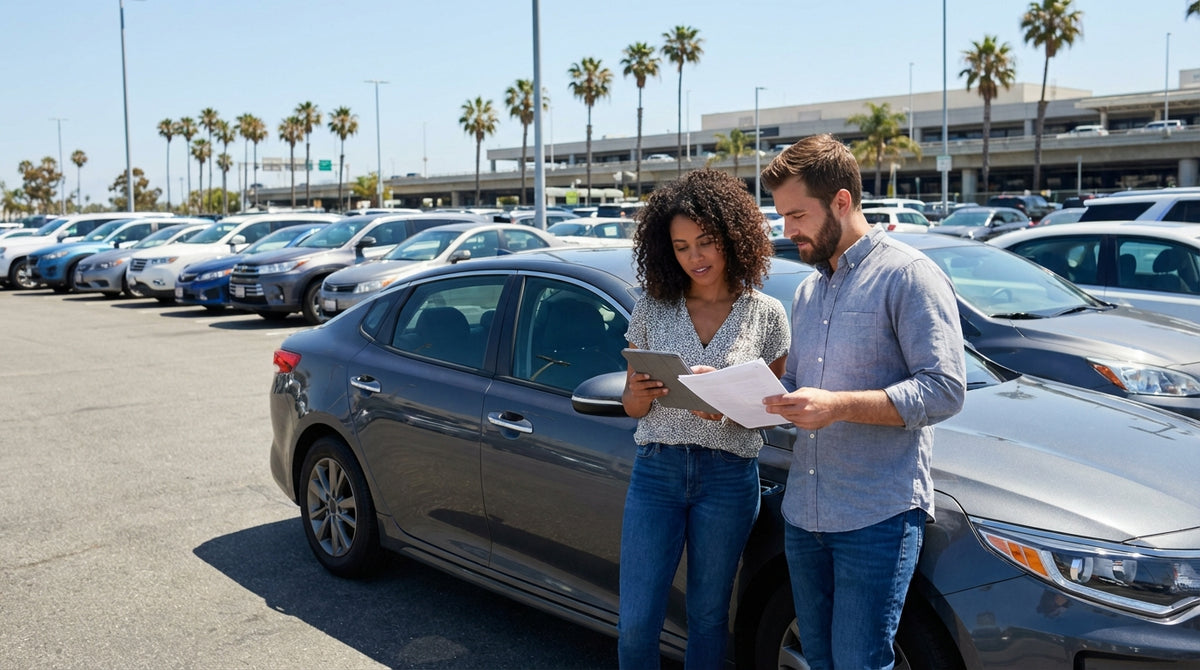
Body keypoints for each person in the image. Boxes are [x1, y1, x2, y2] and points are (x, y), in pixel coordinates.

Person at [760, 134, 966, 670]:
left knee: (859, 663)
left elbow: (944, 388)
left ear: (842, 202)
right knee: (818, 660)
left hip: (877, 517)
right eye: (783, 217)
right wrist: (736, 395)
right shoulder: (808, 291)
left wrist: (838, 405)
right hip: (805, 513)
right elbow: (801, 387)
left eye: (797, 215)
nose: (788, 231)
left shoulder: (908, 275)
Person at [619, 168, 790, 670]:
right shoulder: (653, 307)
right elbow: (634, 408)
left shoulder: (767, 315)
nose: (695, 257)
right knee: (636, 622)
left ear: (732, 237)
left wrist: (728, 402)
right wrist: (637, 390)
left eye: (706, 242)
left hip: (729, 479)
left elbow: (770, 413)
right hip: (657, 471)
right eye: (681, 246)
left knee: (711, 619)